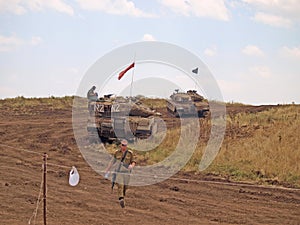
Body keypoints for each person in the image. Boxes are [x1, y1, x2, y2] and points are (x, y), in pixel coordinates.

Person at [105, 139, 136, 208]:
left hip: (127, 173)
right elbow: (112, 162)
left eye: (125, 145)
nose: (123, 146)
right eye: (122, 145)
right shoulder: (117, 153)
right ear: (120, 145)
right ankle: (121, 198)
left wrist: (132, 166)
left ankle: (123, 196)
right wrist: (107, 170)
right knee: (120, 185)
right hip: (119, 172)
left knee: (126, 187)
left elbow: (133, 161)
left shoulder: (130, 153)